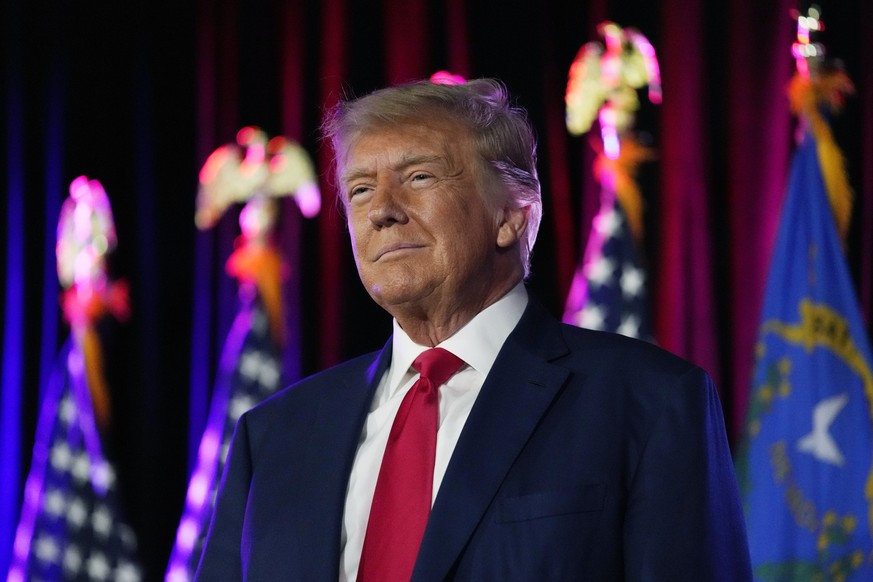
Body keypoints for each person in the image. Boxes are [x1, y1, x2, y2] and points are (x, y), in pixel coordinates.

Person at [195, 78, 752, 581]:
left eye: (419, 176)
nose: (381, 211)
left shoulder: (648, 401)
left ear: (511, 214)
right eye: (360, 189)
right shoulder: (272, 437)